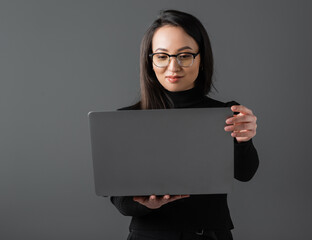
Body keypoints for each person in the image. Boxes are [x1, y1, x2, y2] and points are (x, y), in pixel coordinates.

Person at [110, 9, 259, 240]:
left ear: (201, 58)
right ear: (150, 61)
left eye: (185, 55)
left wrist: (244, 140)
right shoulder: (127, 120)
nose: (173, 67)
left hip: (210, 234)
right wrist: (147, 204)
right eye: (162, 56)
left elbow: (245, 172)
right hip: (149, 235)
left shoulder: (225, 113)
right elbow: (119, 200)